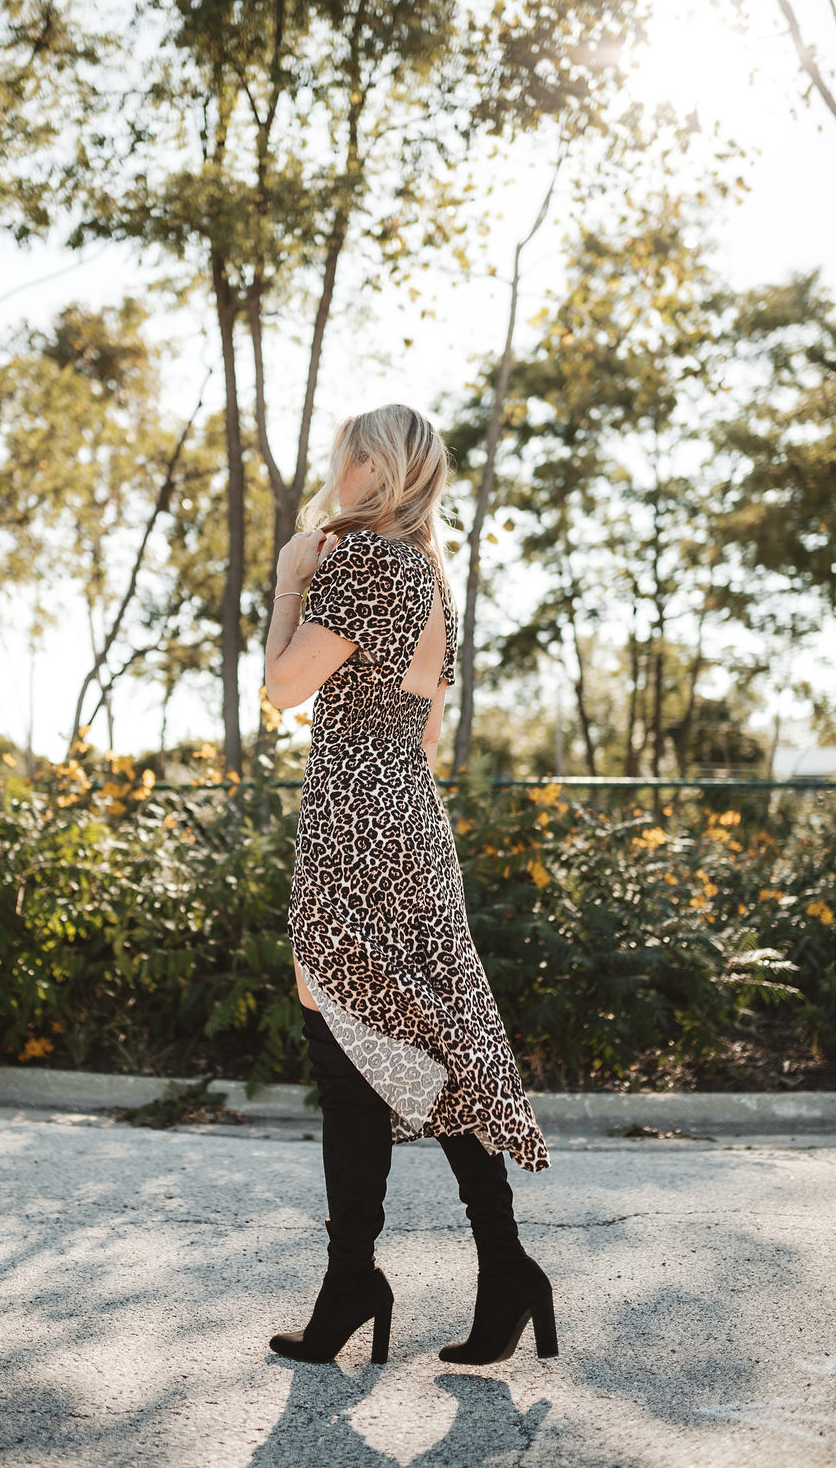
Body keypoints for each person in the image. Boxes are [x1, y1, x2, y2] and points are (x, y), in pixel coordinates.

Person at [263, 403, 555, 1368]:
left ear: (375, 468)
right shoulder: (430, 579)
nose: (334, 467)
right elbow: (426, 732)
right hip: (411, 816)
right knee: (412, 1040)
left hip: (352, 815)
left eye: (346, 455)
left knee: (349, 1048)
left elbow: (282, 688)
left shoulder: (357, 564)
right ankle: (497, 1268)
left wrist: (286, 582)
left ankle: (360, 1281)